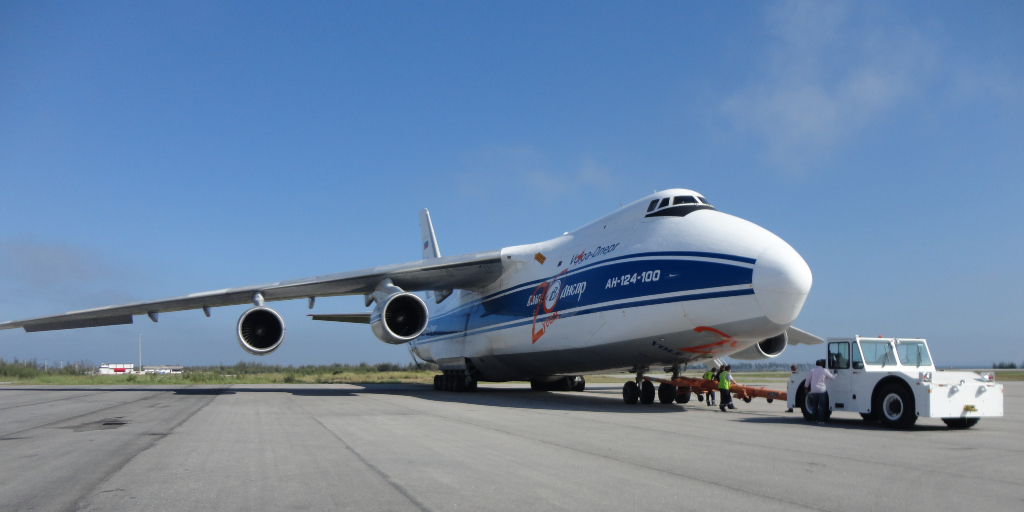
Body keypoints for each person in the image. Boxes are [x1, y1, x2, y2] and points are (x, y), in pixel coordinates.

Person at [805, 359, 835, 424]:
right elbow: (832, 377)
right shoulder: (824, 370)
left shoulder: (812, 370)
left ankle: (813, 419)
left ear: (816, 364)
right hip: (822, 390)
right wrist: (836, 374)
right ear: (822, 364)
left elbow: (807, 379)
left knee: (814, 405)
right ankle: (820, 420)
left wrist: (806, 387)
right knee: (822, 406)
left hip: (813, 390)